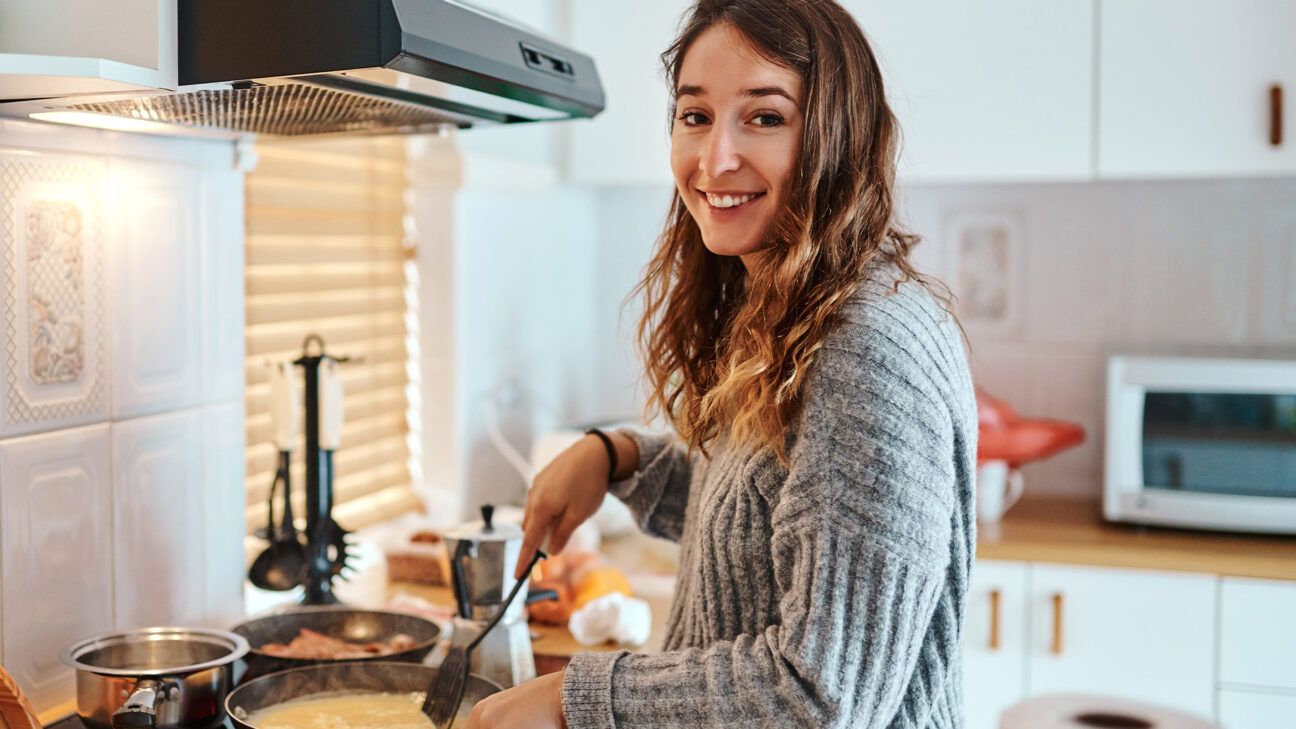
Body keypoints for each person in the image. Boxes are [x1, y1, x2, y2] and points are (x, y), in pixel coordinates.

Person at [465, 1, 977, 727]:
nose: (715, 159)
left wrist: (574, 697)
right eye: (695, 115)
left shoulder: (866, 347)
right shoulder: (791, 305)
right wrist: (616, 457)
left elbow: (818, 695)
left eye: (765, 117)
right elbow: (762, 518)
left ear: (841, 134)